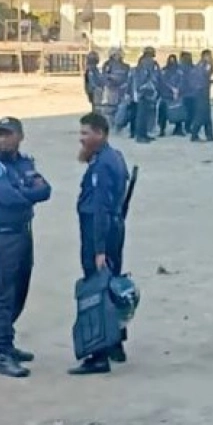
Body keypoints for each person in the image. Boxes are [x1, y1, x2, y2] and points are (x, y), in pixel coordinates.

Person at [0, 117, 52, 378]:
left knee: (20, 292)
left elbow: (46, 190)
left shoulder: (25, 163)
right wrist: (26, 192)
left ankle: (7, 342)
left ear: (20, 136)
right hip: (3, 238)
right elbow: (7, 197)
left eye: (7, 134)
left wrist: (23, 192)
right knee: (3, 295)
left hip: (23, 235)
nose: (2, 139)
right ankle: (1, 352)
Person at [71, 112, 131, 375]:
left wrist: (99, 250)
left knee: (98, 294)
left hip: (100, 232)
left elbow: (99, 210)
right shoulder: (112, 157)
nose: (81, 139)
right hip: (113, 229)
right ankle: (116, 344)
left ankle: (98, 355)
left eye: (86, 134)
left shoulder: (103, 165)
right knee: (112, 286)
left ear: (100, 134)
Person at [129, 47, 161, 144]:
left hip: (145, 91)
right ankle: (140, 136)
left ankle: (144, 134)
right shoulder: (146, 63)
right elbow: (147, 77)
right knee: (142, 115)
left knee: (145, 115)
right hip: (144, 91)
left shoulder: (143, 63)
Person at [185, 50, 213, 142]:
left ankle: (209, 134)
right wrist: (212, 65)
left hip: (201, 91)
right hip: (201, 92)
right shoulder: (204, 65)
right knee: (201, 114)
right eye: (209, 56)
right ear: (204, 56)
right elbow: (207, 74)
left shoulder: (199, 65)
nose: (210, 57)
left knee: (207, 115)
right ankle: (194, 135)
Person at [157, 53, 181, 137]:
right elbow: (161, 82)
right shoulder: (164, 70)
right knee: (162, 114)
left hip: (176, 96)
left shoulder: (179, 71)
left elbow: (181, 81)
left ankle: (178, 129)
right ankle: (162, 130)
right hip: (165, 95)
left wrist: (177, 90)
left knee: (178, 113)